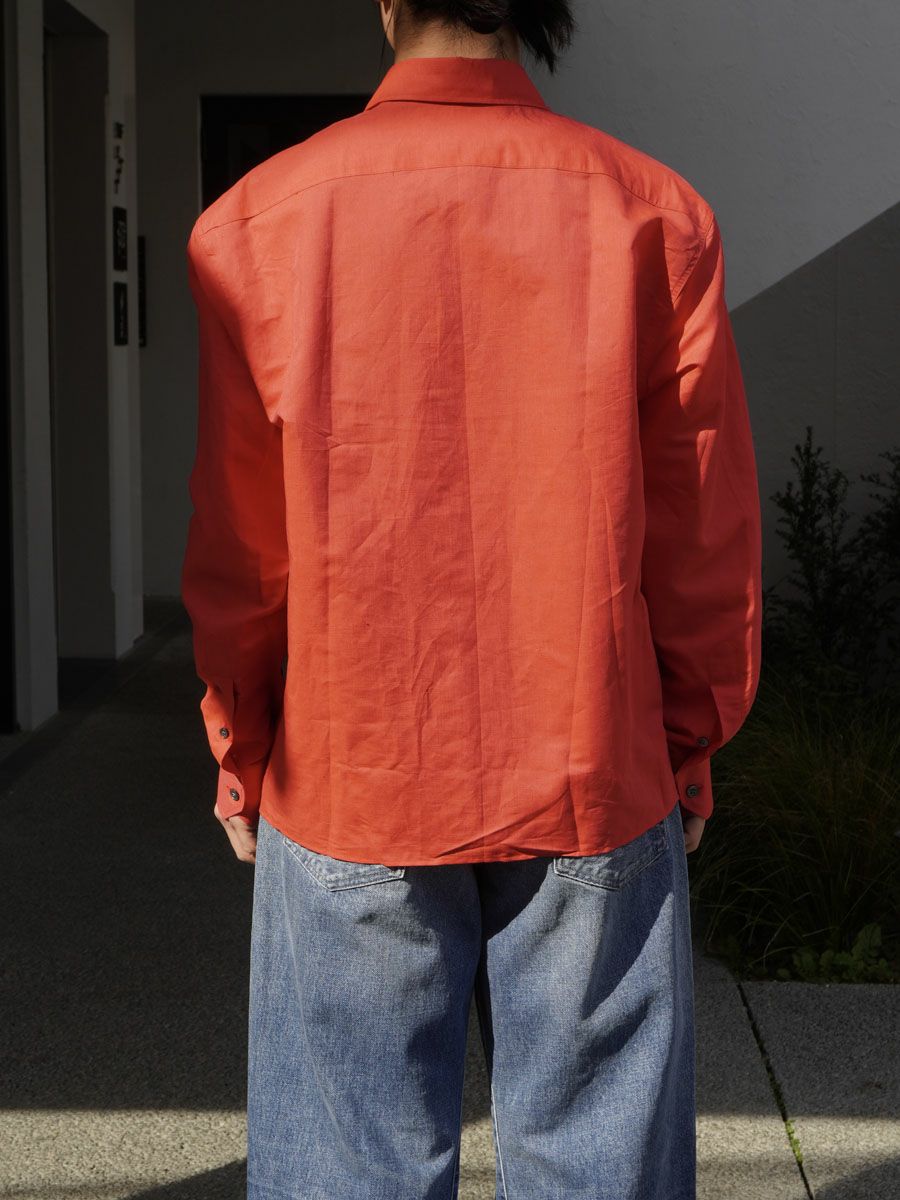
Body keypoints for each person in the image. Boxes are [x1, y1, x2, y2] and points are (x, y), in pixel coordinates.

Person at [181, 1, 763, 1196]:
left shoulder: (257, 222)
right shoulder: (655, 214)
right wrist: (691, 738)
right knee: (598, 1170)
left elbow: (245, 544)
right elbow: (702, 526)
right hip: (592, 763)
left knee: (351, 1172)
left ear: (389, 4)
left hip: (353, 769)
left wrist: (243, 744)